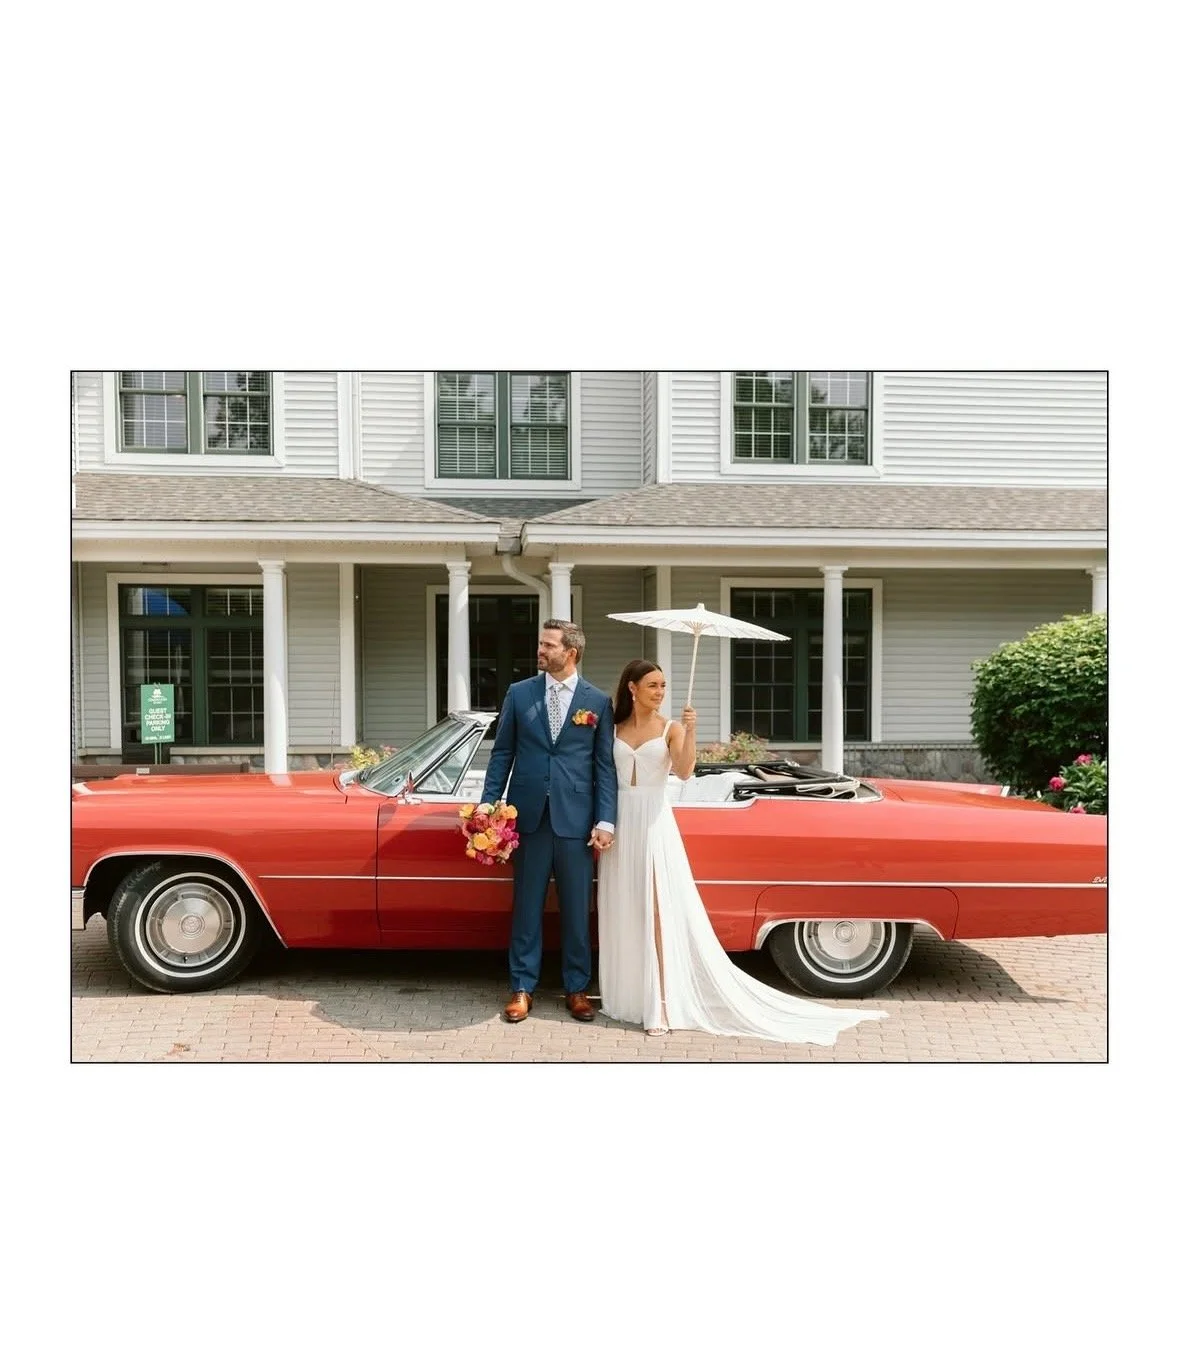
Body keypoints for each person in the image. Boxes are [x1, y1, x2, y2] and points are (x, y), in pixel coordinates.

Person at [596, 658, 888, 1043]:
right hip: (620, 823)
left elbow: (684, 771)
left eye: (663, 685)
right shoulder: (613, 728)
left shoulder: (671, 728)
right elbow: (603, 775)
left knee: (657, 911)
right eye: (652, 685)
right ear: (632, 688)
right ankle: (626, 998)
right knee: (623, 908)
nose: (660, 692)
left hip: (653, 822)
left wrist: (691, 730)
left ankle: (661, 1003)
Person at [478, 619, 618, 1024]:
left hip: (576, 822)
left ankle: (577, 989)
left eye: (548, 645)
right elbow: (502, 753)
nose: (540, 650)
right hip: (528, 818)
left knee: (577, 910)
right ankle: (522, 987)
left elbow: (604, 766)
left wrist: (606, 820)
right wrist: (488, 804)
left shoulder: (597, 701)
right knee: (526, 907)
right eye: (540, 644)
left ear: (570, 652)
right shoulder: (519, 693)